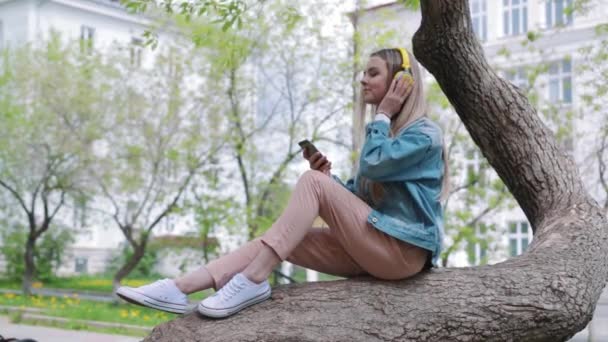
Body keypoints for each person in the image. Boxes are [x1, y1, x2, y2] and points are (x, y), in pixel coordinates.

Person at [116, 47, 448, 319]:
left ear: (400, 82)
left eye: (372, 72)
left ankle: (252, 280)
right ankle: (180, 287)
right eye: (363, 72)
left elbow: (374, 165)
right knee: (284, 236)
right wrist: (329, 181)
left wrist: (383, 113)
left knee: (310, 185)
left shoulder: (424, 135)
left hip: (402, 254)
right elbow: (368, 203)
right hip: (373, 247)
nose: (362, 79)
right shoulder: (386, 133)